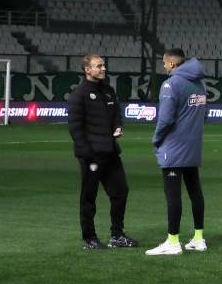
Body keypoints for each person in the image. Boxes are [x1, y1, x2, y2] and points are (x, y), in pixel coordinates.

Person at [67, 54, 139, 250]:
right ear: (87, 70)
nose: (103, 69)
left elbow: (116, 114)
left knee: (120, 192)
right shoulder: (78, 95)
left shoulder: (108, 91)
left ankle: (117, 235)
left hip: (111, 153)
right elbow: (75, 128)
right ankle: (89, 238)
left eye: (103, 66)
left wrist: (118, 126)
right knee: (89, 197)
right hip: (91, 156)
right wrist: (88, 153)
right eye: (98, 66)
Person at [146, 49, 208, 256]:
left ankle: (173, 242)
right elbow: (203, 115)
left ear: (172, 64)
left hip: (173, 147)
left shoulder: (171, 84)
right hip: (192, 146)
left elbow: (165, 119)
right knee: (194, 190)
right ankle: (198, 239)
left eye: (164, 63)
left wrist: (156, 139)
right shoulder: (199, 84)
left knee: (173, 194)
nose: (163, 66)